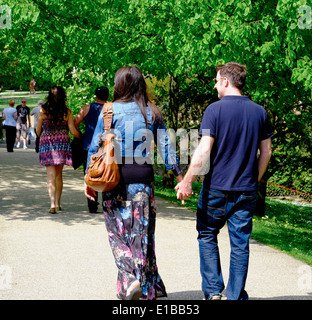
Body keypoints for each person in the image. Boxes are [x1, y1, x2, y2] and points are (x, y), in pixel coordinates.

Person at [176, 62, 273, 300]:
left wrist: (187, 180)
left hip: (216, 189)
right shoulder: (259, 112)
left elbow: (204, 149)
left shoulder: (214, 110)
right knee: (240, 244)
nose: (215, 84)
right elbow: (267, 152)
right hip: (246, 191)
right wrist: (254, 179)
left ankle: (213, 292)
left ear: (226, 82)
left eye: (217, 80)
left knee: (207, 234)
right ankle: (234, 295)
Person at [86, 66, 183, 300]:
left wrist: (89, 180)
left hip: (113, 181)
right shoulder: (151, 112)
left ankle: (131, 280)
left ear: (119, 85)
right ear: (141, 85)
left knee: (117, 235)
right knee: (142, 237)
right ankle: (148, 286)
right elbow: (166, 147)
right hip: (142, 182)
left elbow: (94, 148)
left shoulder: (109, 111)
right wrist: (180, 177)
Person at [36, 86, 81, 214]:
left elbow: (38, 130)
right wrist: (81, 136)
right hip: (62, 143)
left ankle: (51, 204)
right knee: (58, 175)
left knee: (50, 175)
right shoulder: (67, 112)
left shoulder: (43, 110)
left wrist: (42, 134)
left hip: (47, 144)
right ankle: (58, 203)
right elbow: (73, 131)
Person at [74, 86, 109, 213]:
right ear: (108, 96)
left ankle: (92, 203)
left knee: (90, 173)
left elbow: (75, 122)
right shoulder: (110, 109)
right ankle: (107, 203)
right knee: (107, 173)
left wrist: (81, 135)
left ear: (95, 96)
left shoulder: (86, 108)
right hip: (107, 147)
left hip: (89, 145)